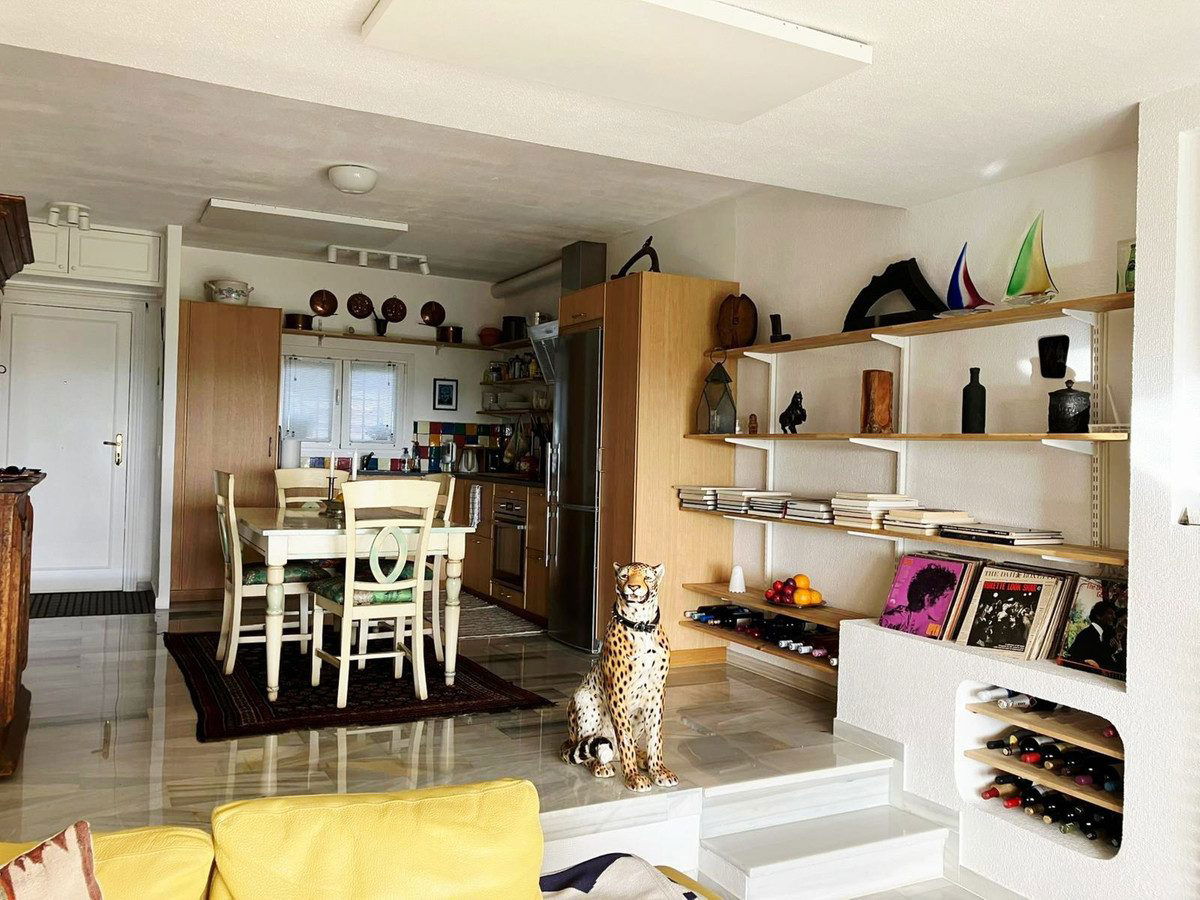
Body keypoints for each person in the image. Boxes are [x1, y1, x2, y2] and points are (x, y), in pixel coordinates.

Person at [1065, 599, 1117, 670]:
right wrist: (1086, 663)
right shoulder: (1086, 635)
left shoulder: (1103, 637)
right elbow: (1073, 659)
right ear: (1098, 616)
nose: (1114, 617)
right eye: (1110, 613)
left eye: (1114, 614)